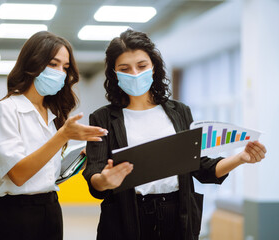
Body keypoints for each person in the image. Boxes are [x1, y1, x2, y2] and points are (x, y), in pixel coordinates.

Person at [82, 29, 266, 240]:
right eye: (125, 69)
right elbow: (94, 176)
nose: (134, 74)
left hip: (177, 214)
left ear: (153, 67)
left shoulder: (180, 112)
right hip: (127, 216)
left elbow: (200, 166)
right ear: (114, 74)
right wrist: (104, 180)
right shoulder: (103, 118)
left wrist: (240, 158)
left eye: (141, 66)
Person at [0, 31, 108, 240]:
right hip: (16, 217)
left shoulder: (52, 115)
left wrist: (81, 158)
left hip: (51, 211)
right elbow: (19, 174)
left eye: (65, 67)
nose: (60, 72)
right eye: (53, 64)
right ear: (32, 63)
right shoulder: (6, 110)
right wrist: (62, 135)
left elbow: (47, 174)